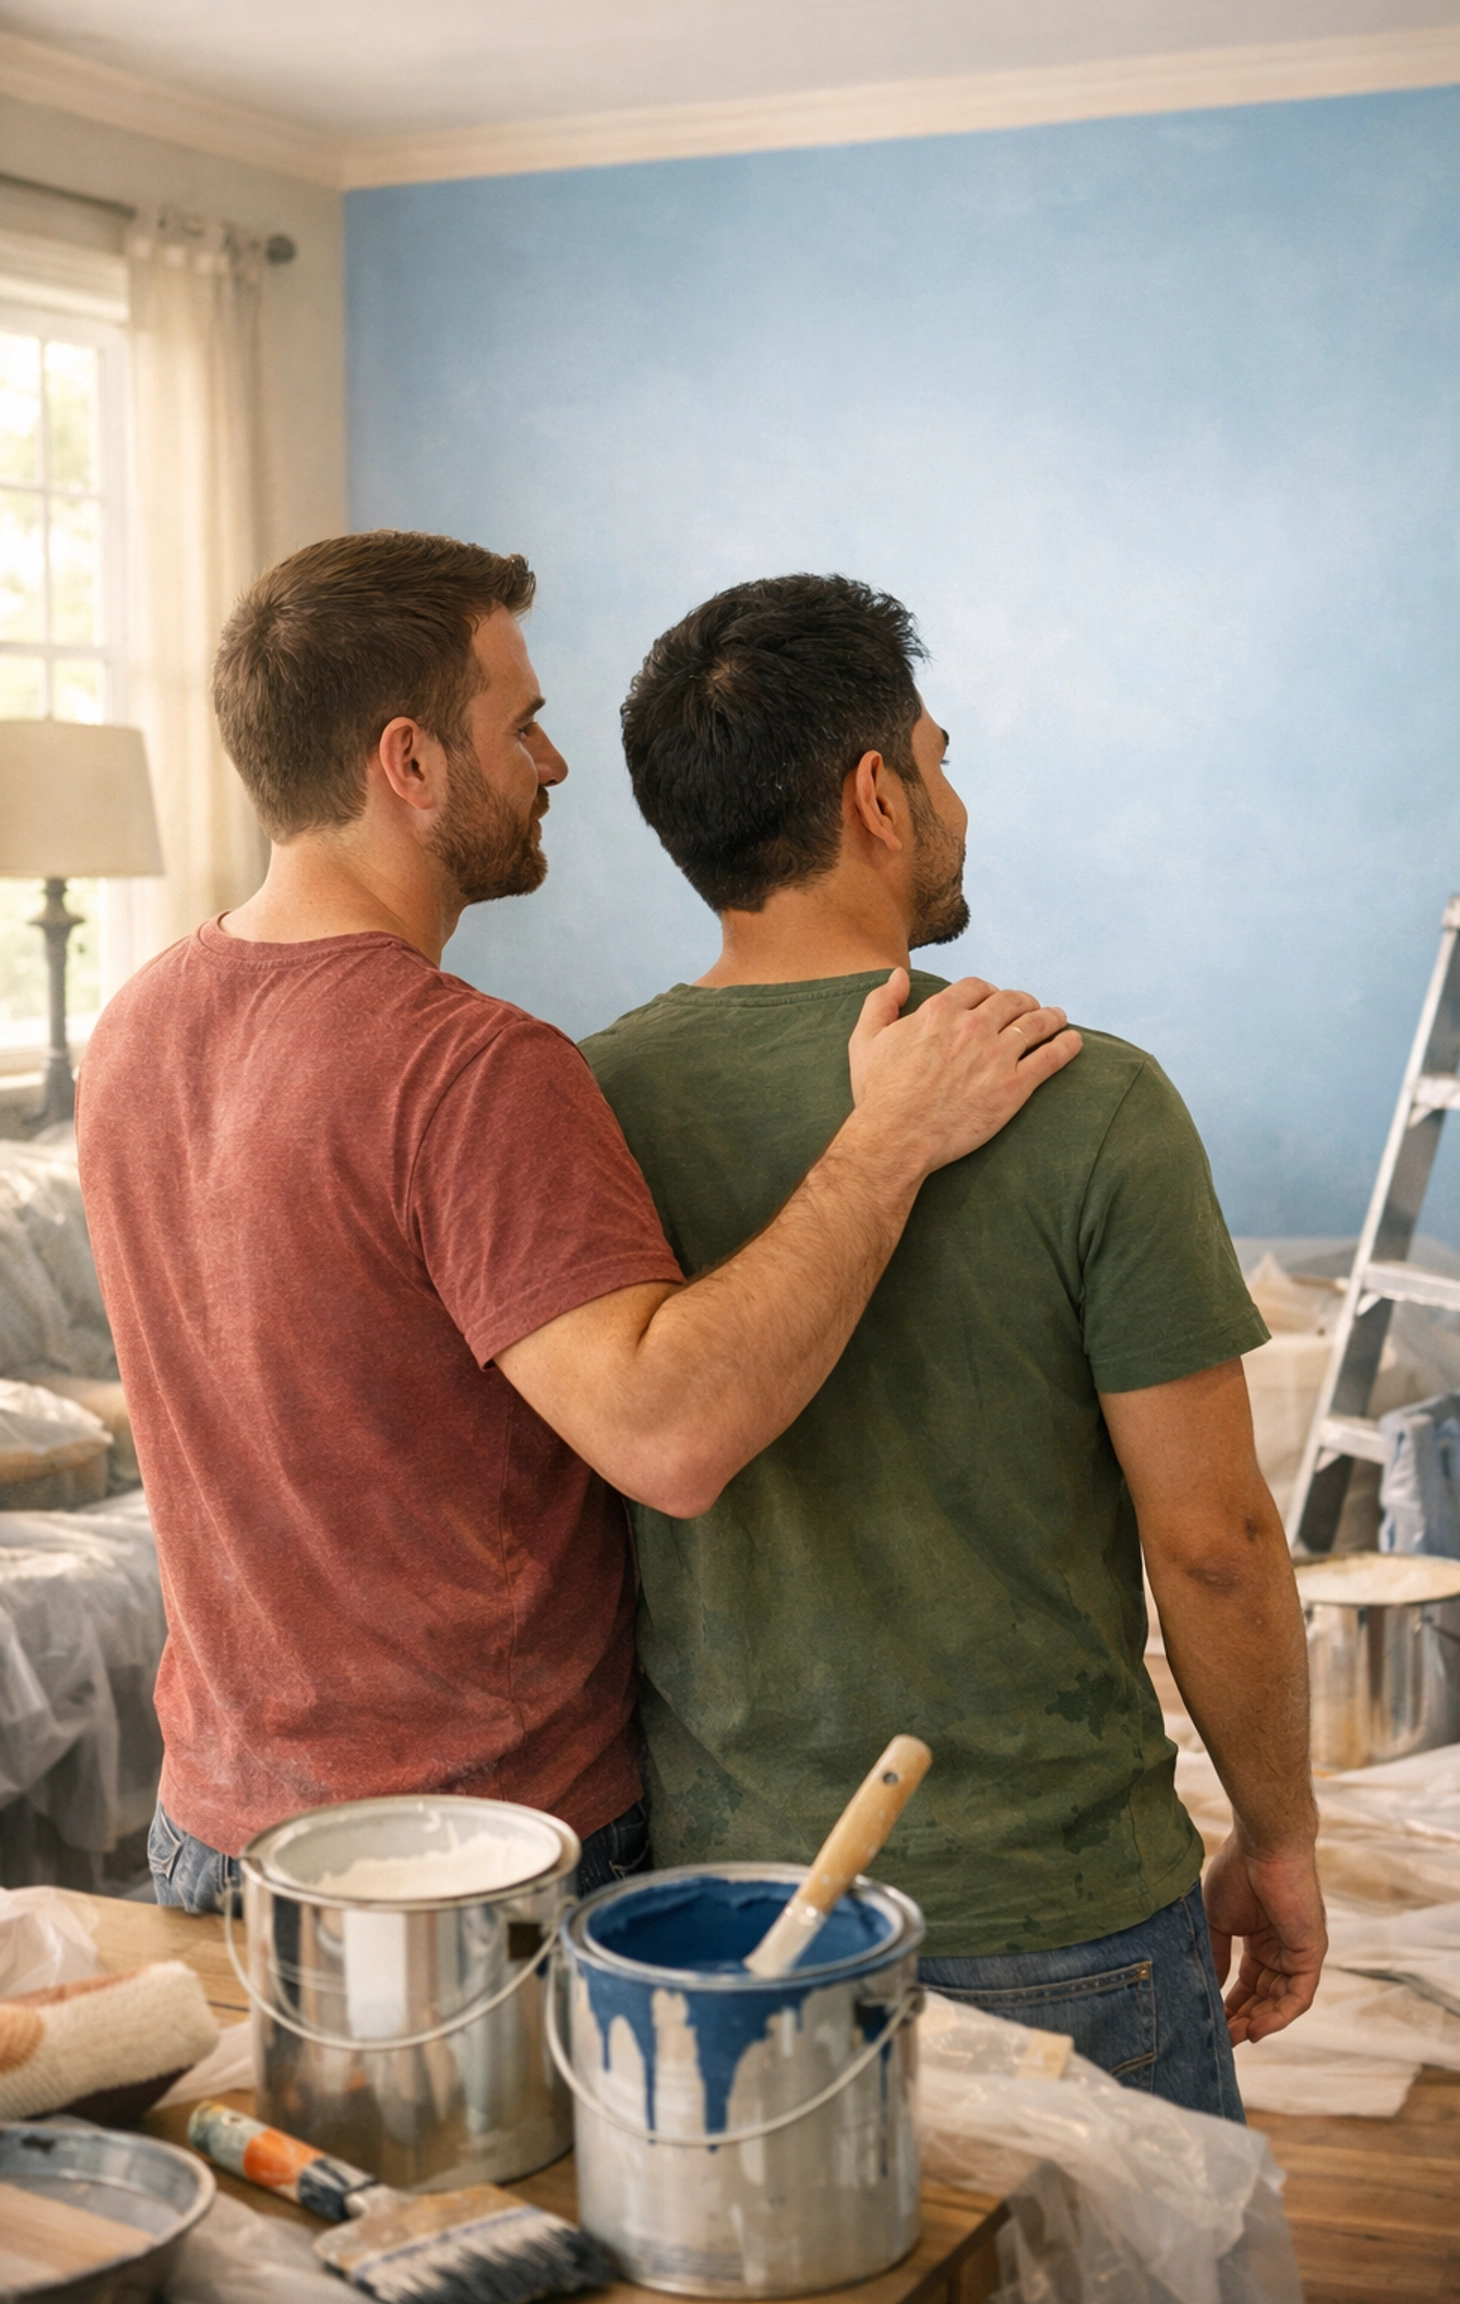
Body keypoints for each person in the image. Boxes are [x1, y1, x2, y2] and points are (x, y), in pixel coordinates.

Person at [74, 534, 1078, 1914]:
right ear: (410, 764)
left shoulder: (134, 1029)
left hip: (218, 1830)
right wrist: (887, 1143)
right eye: (524, 726)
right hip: (471, 1856)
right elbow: (668, 1435)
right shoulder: (467, 1065)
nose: (553, 765)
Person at [582, 573, 1326, 2120]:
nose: (954, 799)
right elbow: (1215, 1545)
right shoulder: (1084, 1092)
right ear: (876, 794)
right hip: (1057, 1915)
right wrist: (1281, 1836)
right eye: (939, 757)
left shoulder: (578, 1109)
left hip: (731, 1930)